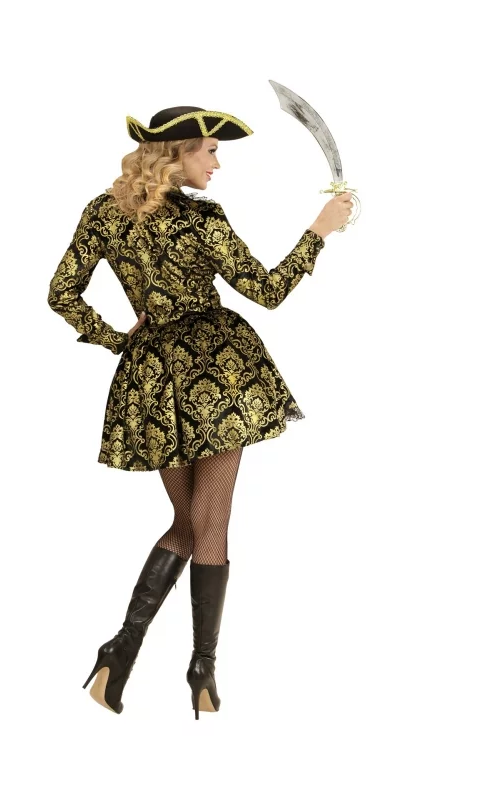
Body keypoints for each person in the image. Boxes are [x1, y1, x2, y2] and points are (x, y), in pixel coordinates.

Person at [47, 106, 353, 719]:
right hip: (216, 374)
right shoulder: (202, 219)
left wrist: (117, 338)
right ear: (177, 153)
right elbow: (267, 290)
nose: (217, 163)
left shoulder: (104, 212)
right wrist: (319, 231)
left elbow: (61, 293)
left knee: (190, 524)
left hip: (153, 379)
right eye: (209, 151)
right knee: (206, 526)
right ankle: (201, 670)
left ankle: (119, 654)